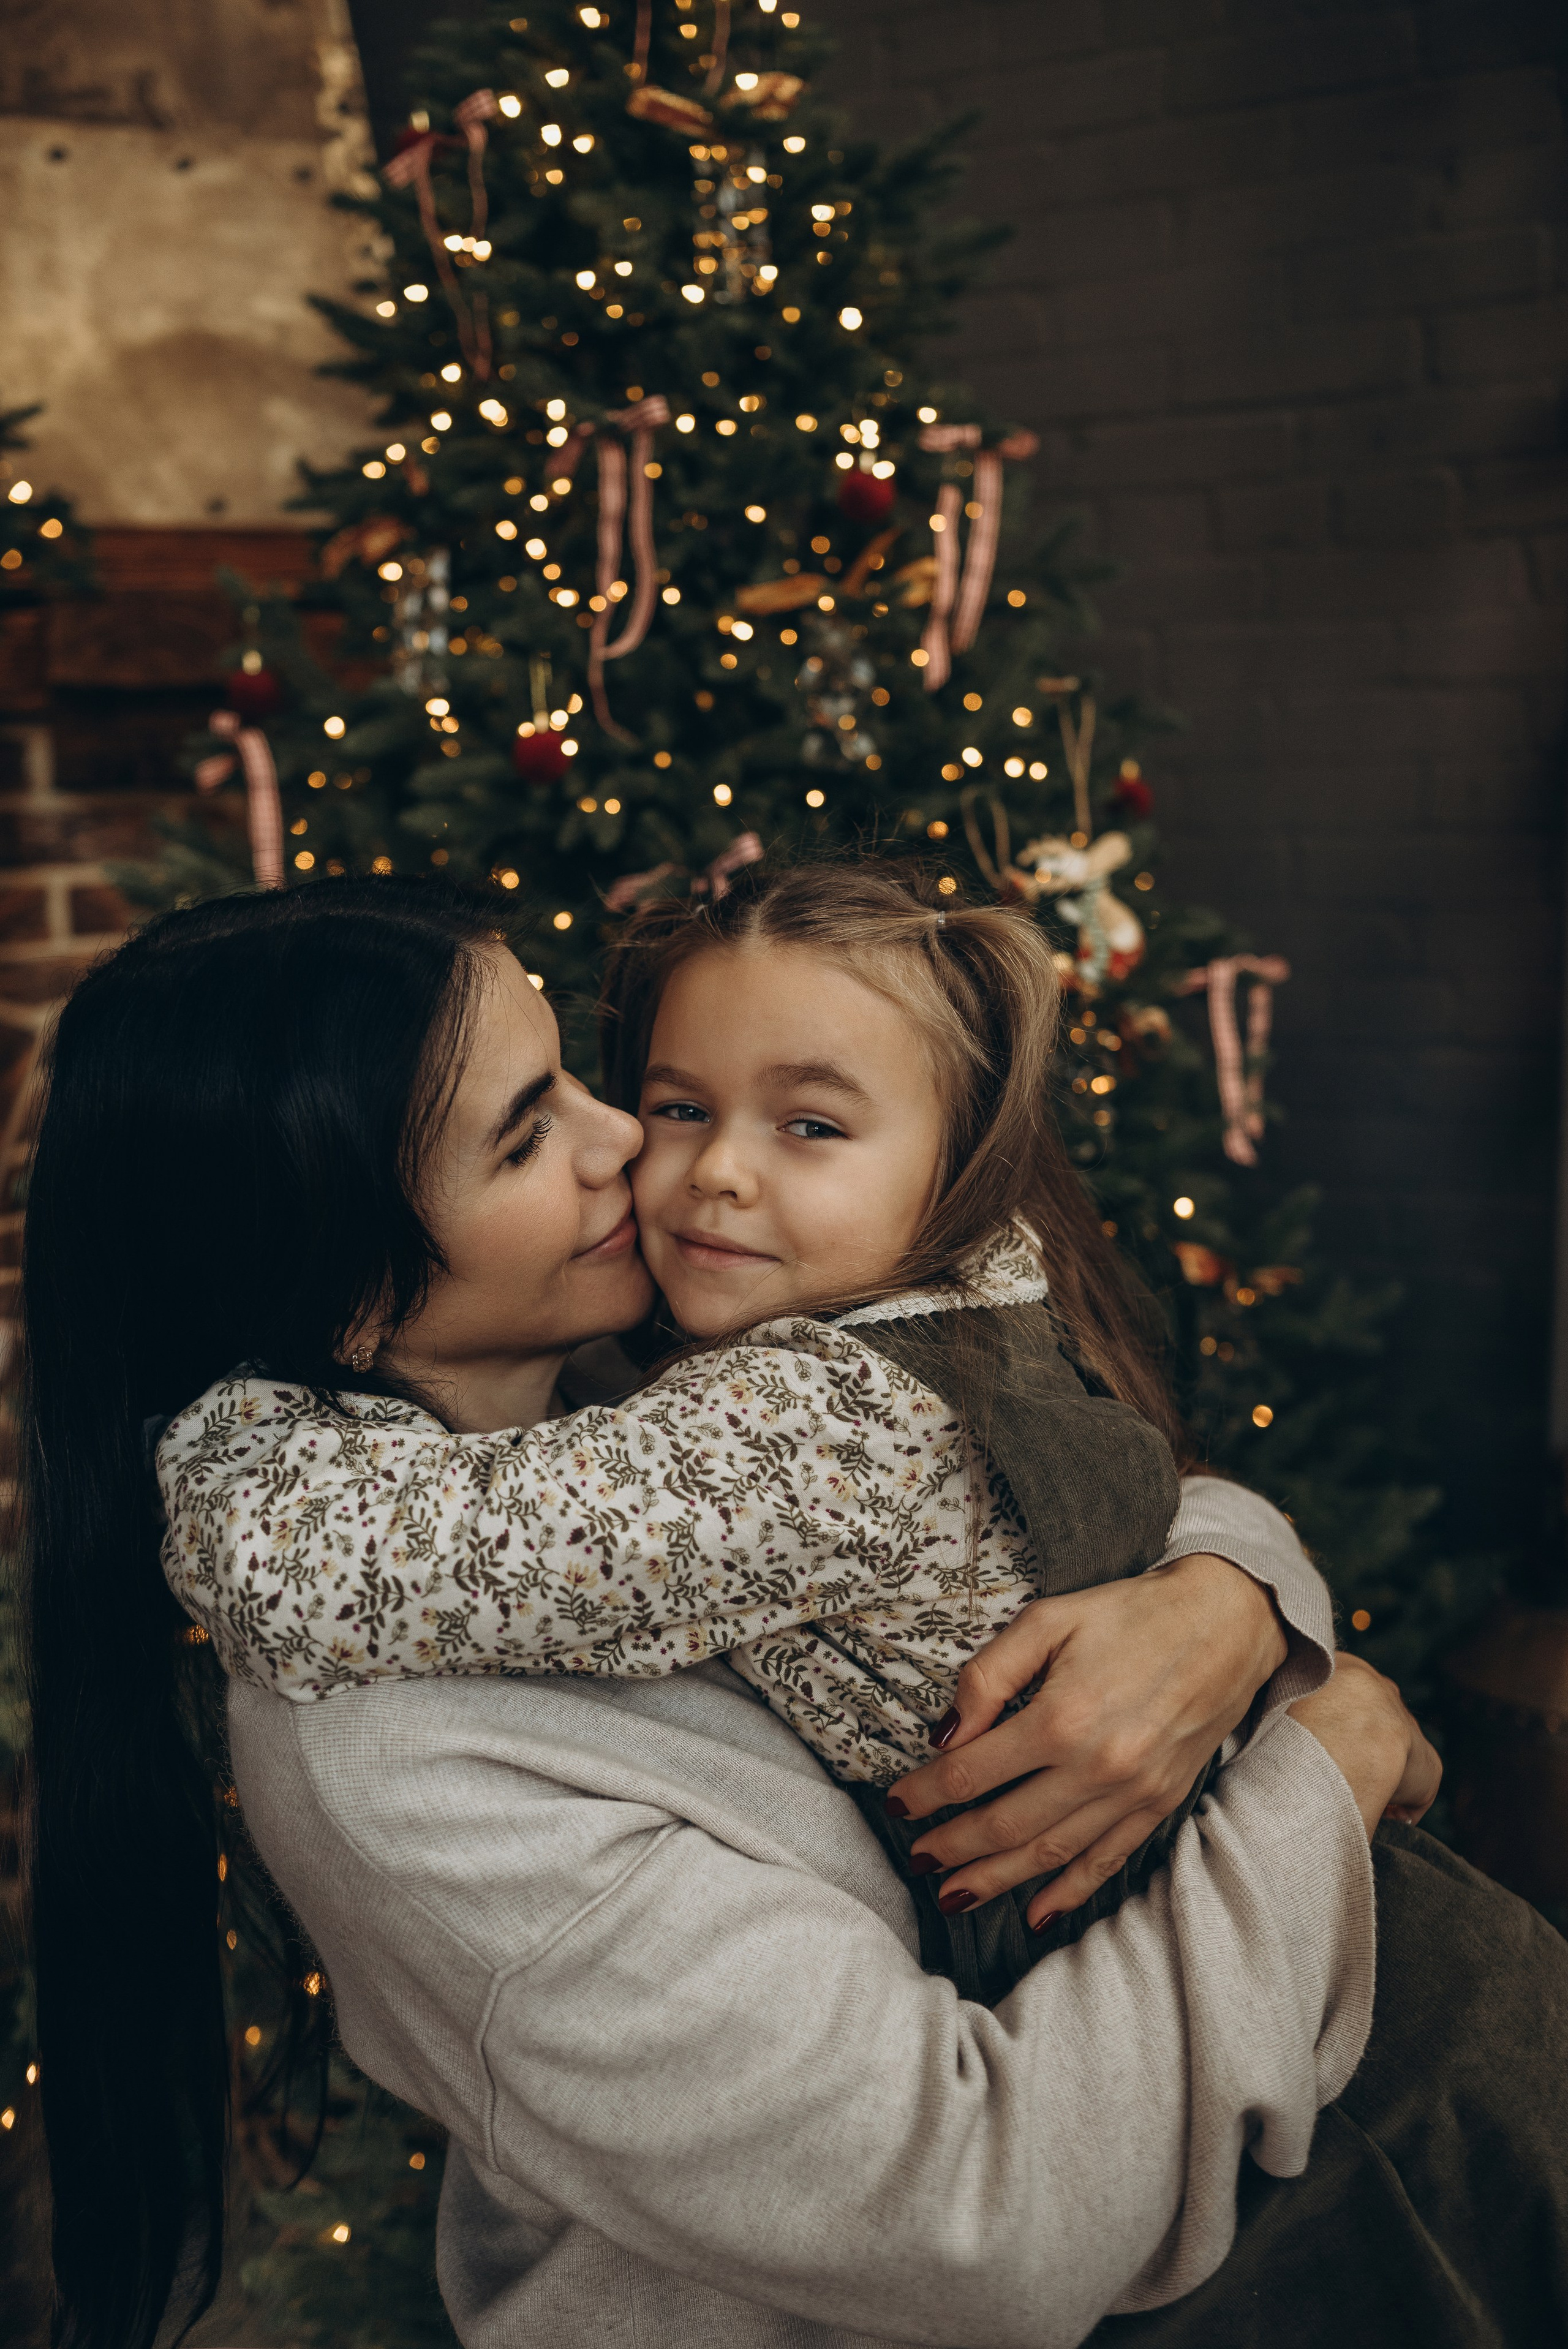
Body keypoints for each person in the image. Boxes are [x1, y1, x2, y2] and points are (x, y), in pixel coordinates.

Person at [24, 880, 1565, 2349]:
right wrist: (1321, 1765)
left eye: (574, 1075)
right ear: (344, 1294)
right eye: (523, 1136)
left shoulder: (639, 1390)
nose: (629, 1136)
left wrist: (1220, 1613)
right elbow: (991, 2211)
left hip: (1379, 2112)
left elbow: (1128, 1478)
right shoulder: (399, 1762)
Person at [160, 862, 1378, 2000]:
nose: (697, 1166)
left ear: (955, 1166)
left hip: (1261, 1985)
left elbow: (296, 1566)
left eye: (809, 1125)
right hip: (1216, 1962)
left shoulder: (810, 1423)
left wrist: (216, 1423)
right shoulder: (932, 1316)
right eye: (679, 1102)